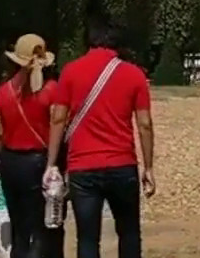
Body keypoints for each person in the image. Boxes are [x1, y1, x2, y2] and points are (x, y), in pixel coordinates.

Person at [45, 18, 155, 258]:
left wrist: (51, 163)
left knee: (87, 238)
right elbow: (144, 124)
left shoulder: (71, 71)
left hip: (82, 166)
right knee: (129, 233)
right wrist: (148, 167)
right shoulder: (134, 74)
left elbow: (58, 119)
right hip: (122, 163)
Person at [0, 34, 62, 258]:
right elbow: (57, 127)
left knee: (19, 228)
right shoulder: (51, 90)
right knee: (42, 227)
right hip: (38, 161)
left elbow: (0, 133)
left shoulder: (2, 92)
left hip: (10, 162)